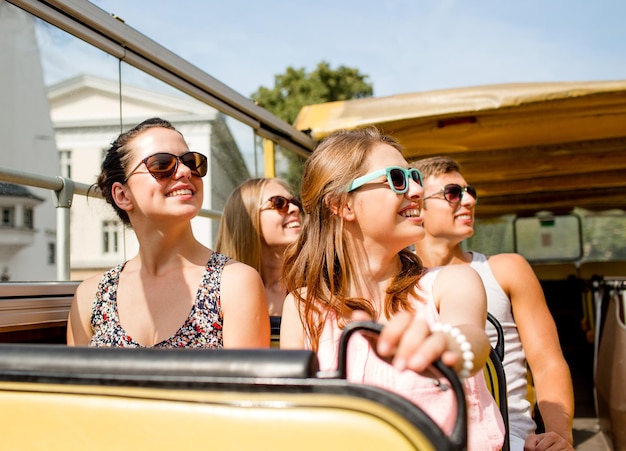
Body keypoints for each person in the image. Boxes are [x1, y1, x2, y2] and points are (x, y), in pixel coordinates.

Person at [280, 127, 505, 450]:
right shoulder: (301, 306)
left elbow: (471, 335)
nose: (416, 189)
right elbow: (295, 418)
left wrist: (447, 346)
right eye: (397, 178)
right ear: (343, 205)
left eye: (415, 176)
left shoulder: (450, 282)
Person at [411, 156, 574, 451]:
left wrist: (560, 435)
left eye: (469, 191)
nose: (468, 201)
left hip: (512, 439)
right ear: (417, 205)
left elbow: (547, 361)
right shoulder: (399, 281)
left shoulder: (507, 269)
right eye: (452, 193)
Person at [66, 117, 270, 348]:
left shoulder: (234, 283)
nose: (184, 171)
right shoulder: (90, 296)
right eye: (161, 164)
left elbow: (242, 383)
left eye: (192, 162)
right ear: (122, 195)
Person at [216, 178, 302, 316]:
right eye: (279, 203)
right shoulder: (219, 294)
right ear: (248, 219)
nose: (295, 209)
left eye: (295, 202)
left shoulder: (321, 286)